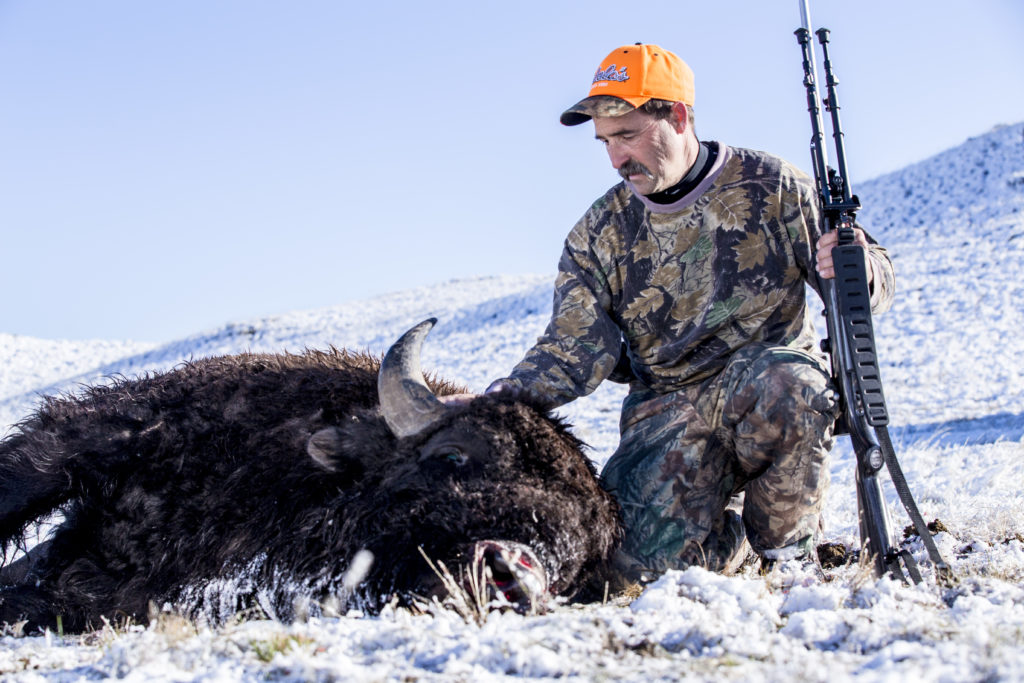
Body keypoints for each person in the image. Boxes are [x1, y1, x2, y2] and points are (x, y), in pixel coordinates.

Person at [486, 43, 895, 580]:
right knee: (620, 571)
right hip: (666, 412)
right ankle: (729, 546)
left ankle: (788, 554)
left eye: (627, 134)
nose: (615, 158)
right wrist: (498, 402)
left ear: (677, 116)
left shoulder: (775, 187)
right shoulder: (597, 235)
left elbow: (871, 287)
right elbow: (571, 348)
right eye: (605, 141)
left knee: (792, 385)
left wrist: (858, 266)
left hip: (767, 389)